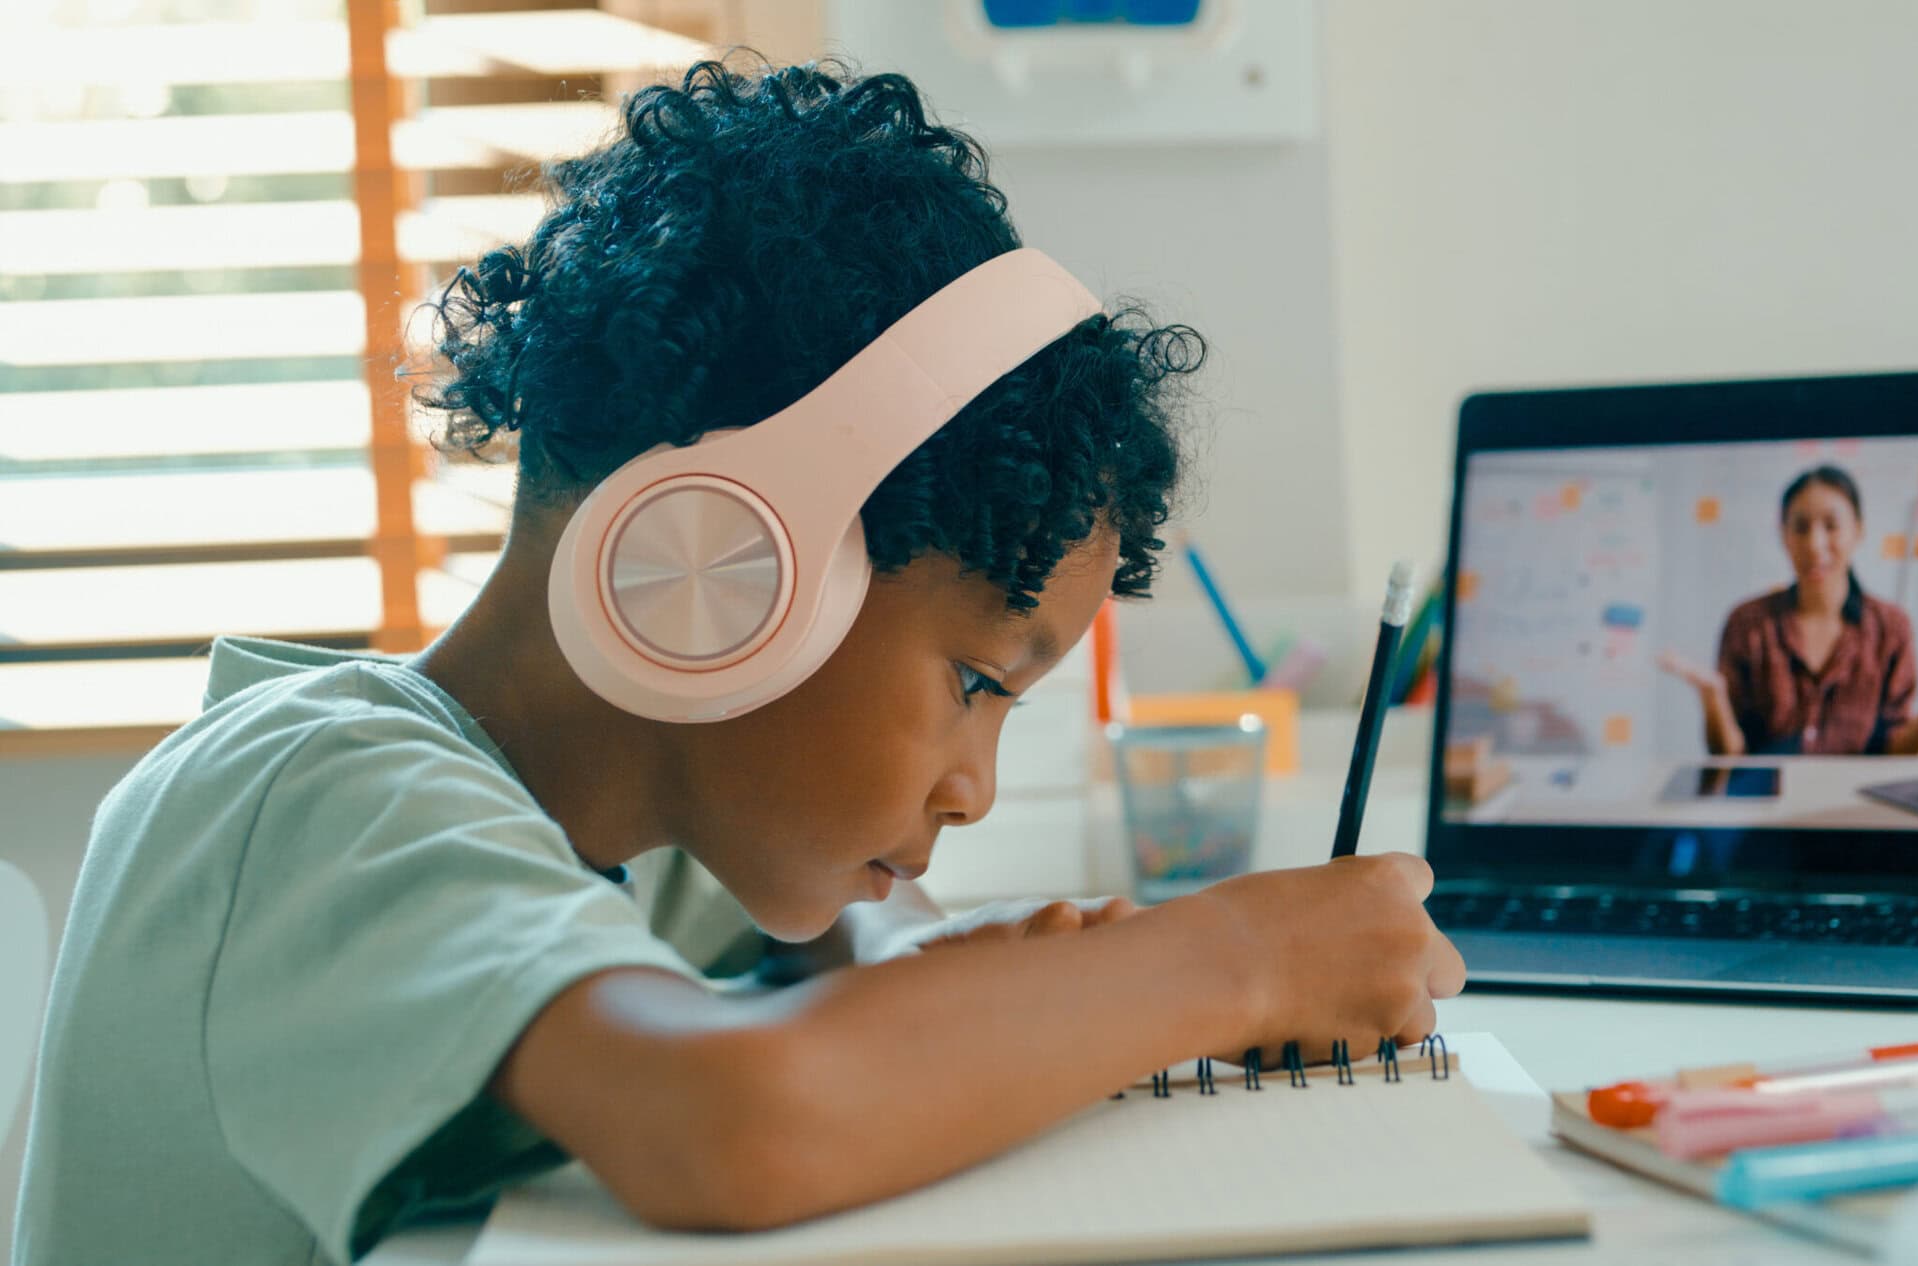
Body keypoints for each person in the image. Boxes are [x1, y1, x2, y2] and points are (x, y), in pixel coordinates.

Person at [14, 58, 1463, 1266]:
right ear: (727, 563)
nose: (972, 788)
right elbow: (737, 1118)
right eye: (978, 681)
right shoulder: (320, 792)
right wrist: (1238, 958)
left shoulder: (642, 829)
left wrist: (973, 986)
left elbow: (822, 961)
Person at [1658, 464, 1918, 756]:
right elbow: (1730, 759)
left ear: (1858, 531)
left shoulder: (1891, 628)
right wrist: (1713, 697)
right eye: (1800, 527)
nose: (1815, 544)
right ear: (1783, 535)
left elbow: (1898, 752)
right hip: (1766, 824)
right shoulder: (1748, 625)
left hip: (1854, 819)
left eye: (1830, 525)